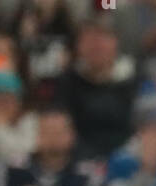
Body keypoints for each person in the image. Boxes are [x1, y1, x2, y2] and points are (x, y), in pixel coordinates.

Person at [57, 16, 139, 163]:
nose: (96, 47)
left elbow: (144, 129)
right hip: (80, 160)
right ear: (78, 47)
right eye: (89, 41)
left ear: (115, 43)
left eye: (102, 40)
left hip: (129, 160)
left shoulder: (136, 80)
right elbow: (64, 128)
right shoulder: (67, 82)